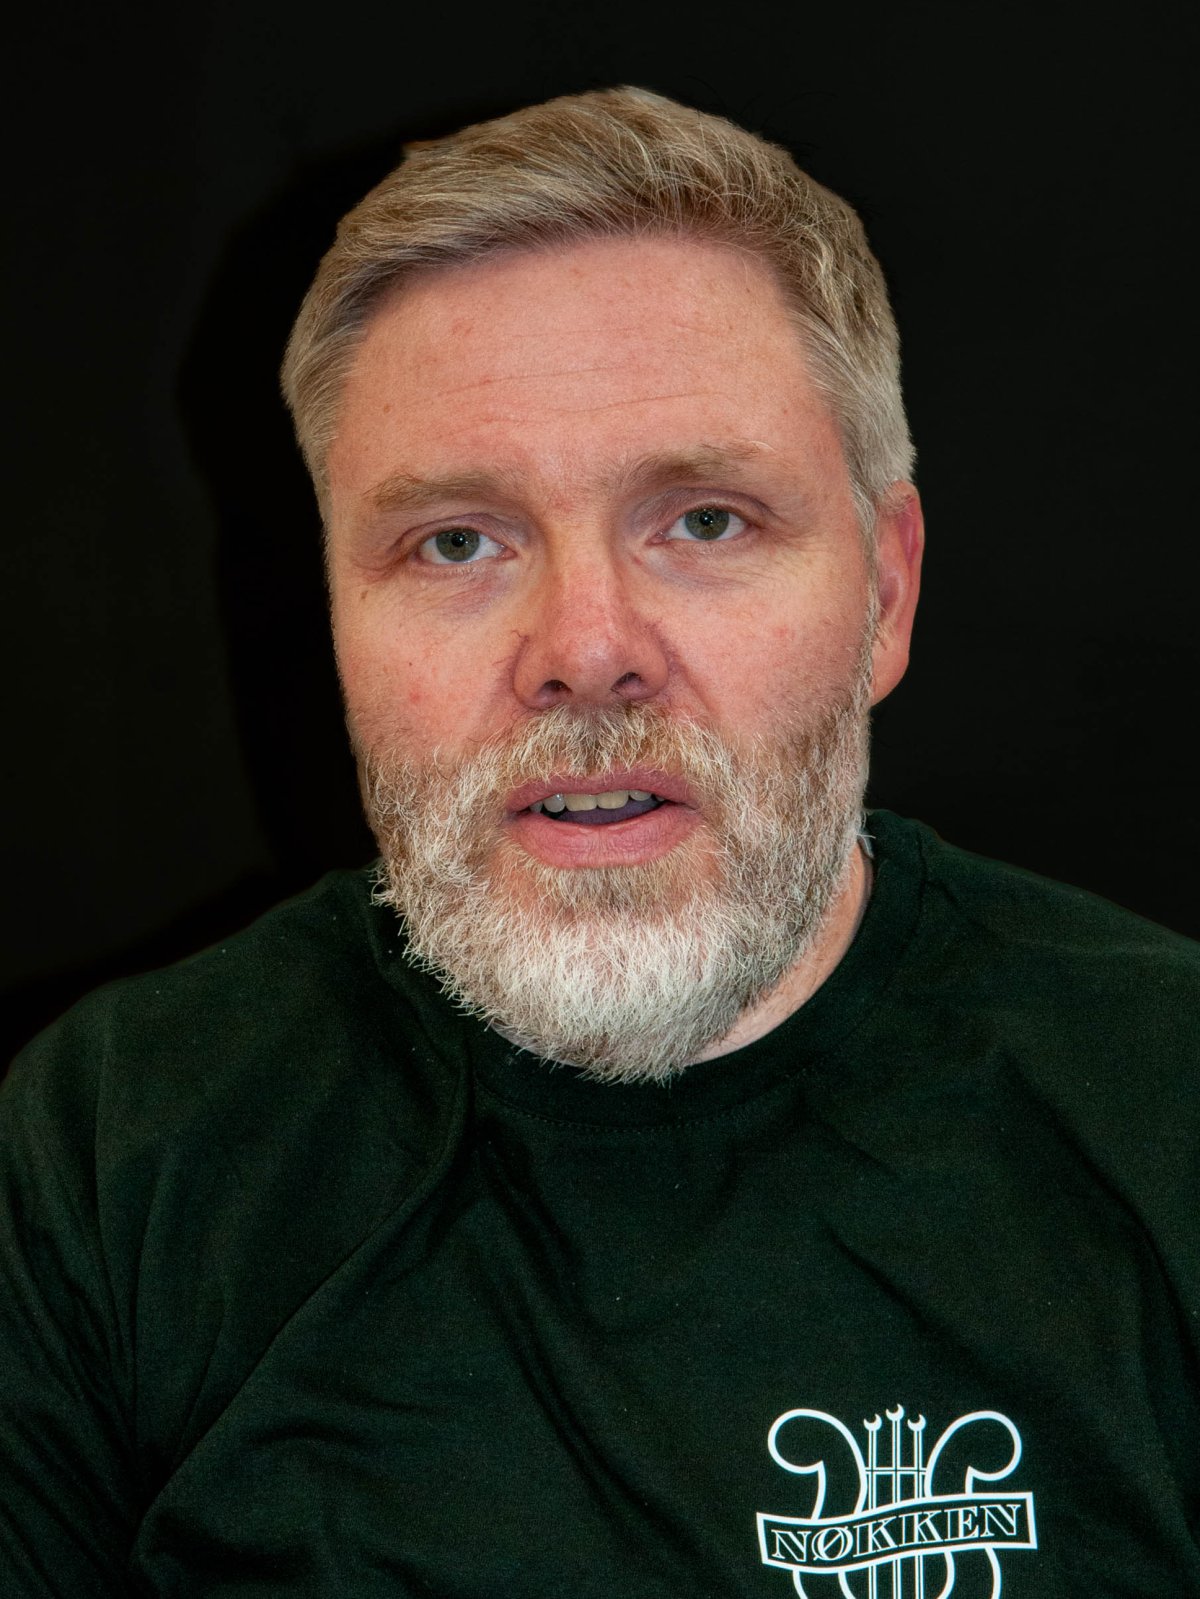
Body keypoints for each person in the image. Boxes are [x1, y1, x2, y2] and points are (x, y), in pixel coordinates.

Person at [1, 87, 1195, 1598]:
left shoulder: (1169, 1107)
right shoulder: (117, 1147)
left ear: (886, 593)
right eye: (457, 541)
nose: (585, 650)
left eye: (703, 521)